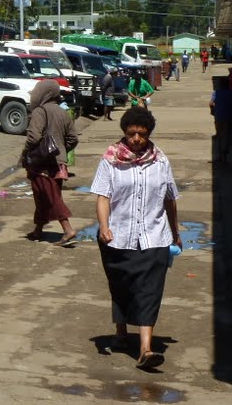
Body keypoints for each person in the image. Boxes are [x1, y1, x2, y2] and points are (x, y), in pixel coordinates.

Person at [91, 105, 180, 370]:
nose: (137, 139)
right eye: (131, 133)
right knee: (122, 287)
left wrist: (176, 233)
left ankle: (145, 349)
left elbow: (170, 200)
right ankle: (120, 332)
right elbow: (103, 196)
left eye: (142, 134)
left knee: (150, 291)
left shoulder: (160, 160)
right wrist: (104, 226)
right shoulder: (110, 159)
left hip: (155, 237)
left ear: (149, 133)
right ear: (124, 132)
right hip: (118, 237)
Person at [20, 80, 79, 246]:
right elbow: (73, 139)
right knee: (42, 196)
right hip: (58, 164)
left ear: (43, 94)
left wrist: (25, 153)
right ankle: (38, 229)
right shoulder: (63, 112)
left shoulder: (40, 111)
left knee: (51, 197)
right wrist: (61, 150)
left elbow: (33, 137)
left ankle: (68, 230)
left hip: (42, 164)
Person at [210, 76, 232, 166]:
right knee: (227, 136)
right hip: (228, 117)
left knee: (219, 136)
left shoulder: (216, 92)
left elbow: (211, 103)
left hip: (219, 117)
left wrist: (213, 111)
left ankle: (219, 156)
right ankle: (224, 157)